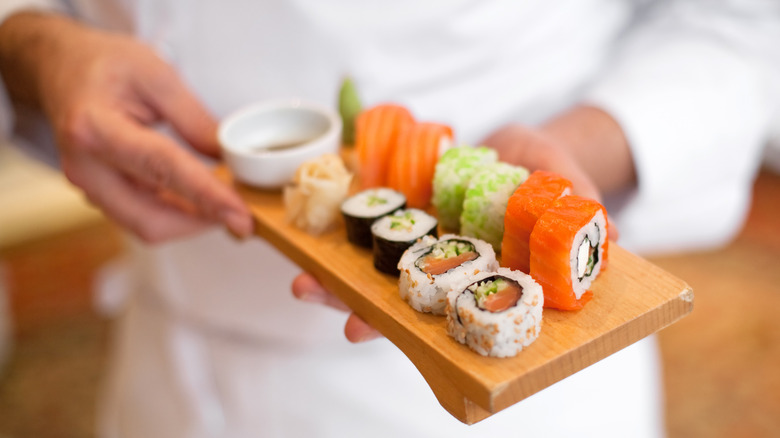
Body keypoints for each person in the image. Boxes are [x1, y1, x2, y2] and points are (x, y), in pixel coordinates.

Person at [1, 1, 778, 437]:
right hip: (161, 360)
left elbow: (739, 24)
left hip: (499, 395)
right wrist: (34, 50)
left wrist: (576, 149)